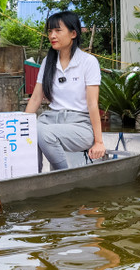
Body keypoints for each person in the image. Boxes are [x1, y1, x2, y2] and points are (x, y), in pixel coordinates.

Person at [24, 11, 105, 170]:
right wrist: (22, 125)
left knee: (42, 132)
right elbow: (35, 99)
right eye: (50, 31)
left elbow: (92, 104)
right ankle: (35, 174)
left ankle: (62, 175)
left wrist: (99, 142)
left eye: (58, 30)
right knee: (32, 130)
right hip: (50, 119)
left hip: (79, 125)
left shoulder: (88, 62)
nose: (52, 35)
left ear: (73, 33)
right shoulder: (48, 61)